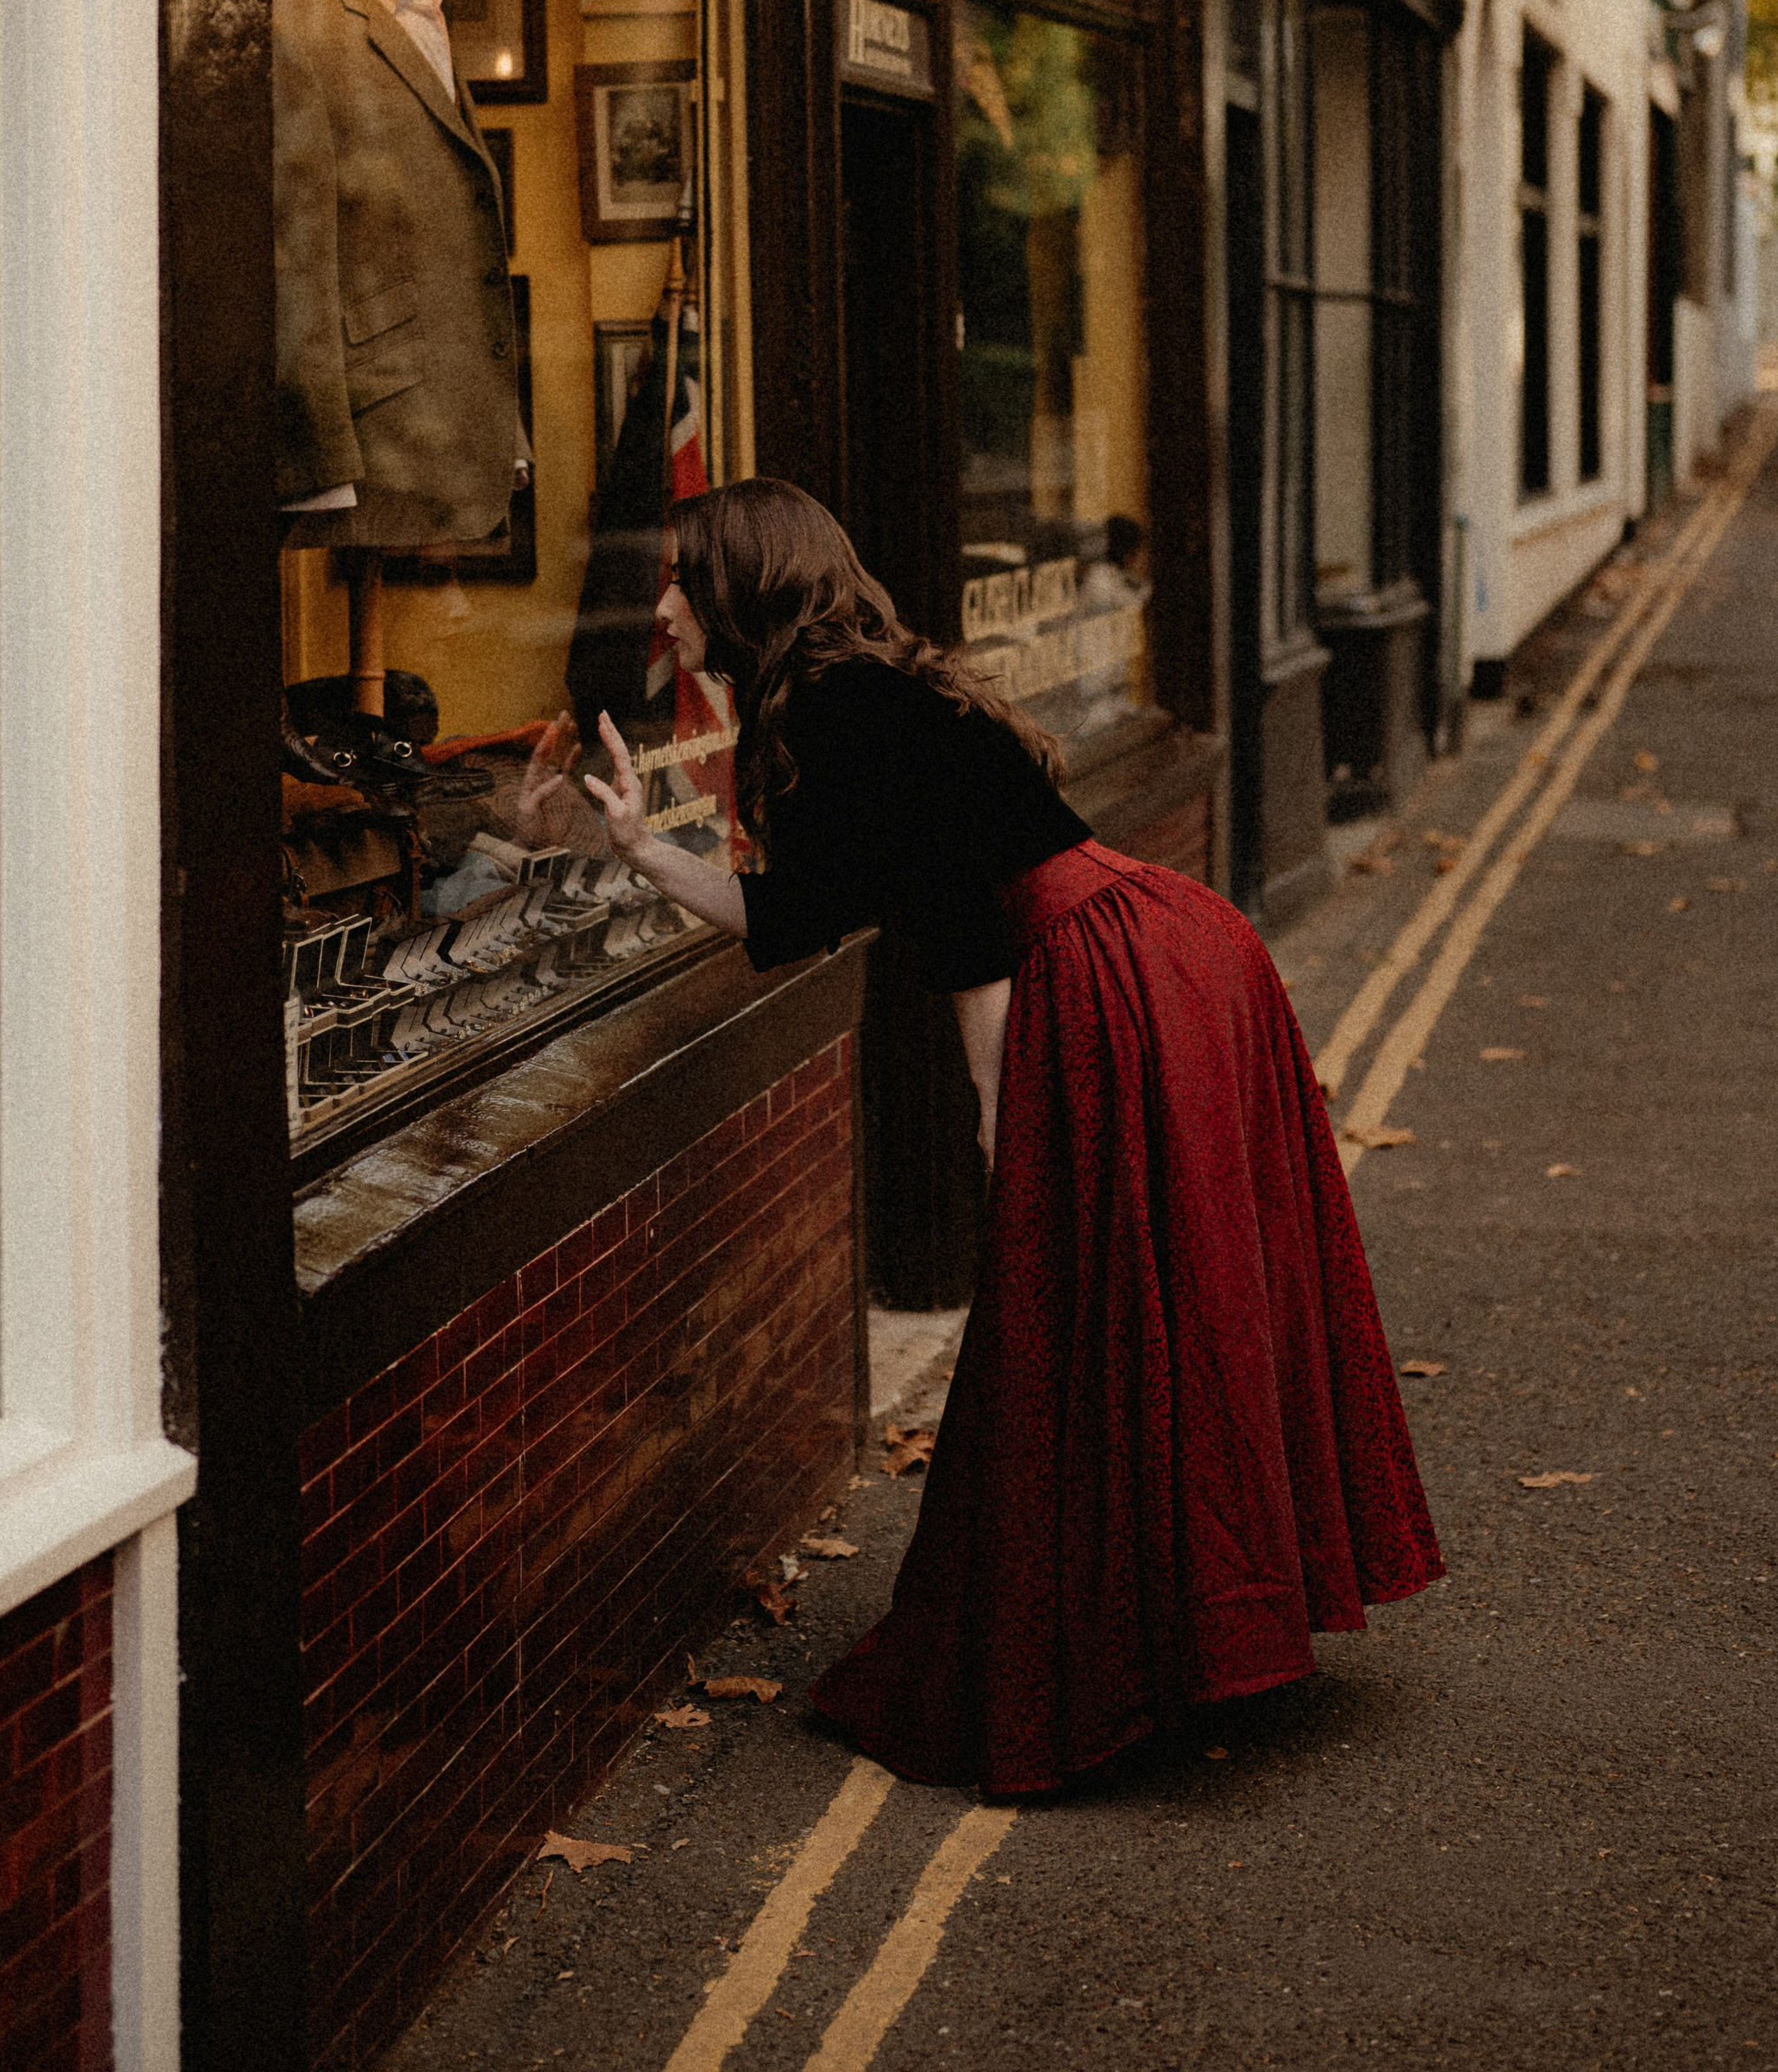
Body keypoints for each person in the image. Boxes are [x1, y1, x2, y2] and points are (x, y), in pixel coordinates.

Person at [573, 477, 1442, 1798]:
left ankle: (1130, 1651)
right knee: (1162, 1303)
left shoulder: (834, 709)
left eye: (681, 578)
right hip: (1169, 952)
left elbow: (967, 927)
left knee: (1085, 1313)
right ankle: (1179, 1626)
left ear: (741, 586)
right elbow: (791, 917)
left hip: (1105, 979)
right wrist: (641, 849)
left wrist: (997, 1113)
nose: (664, 606)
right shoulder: (840, 698)